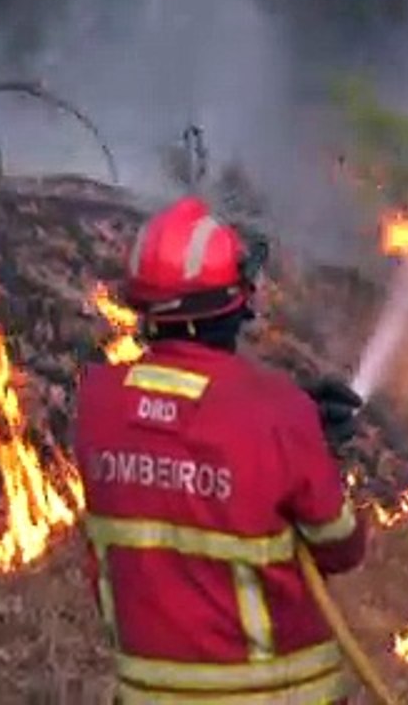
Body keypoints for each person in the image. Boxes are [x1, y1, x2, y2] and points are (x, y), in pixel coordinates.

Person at [72, 195, 368, 704]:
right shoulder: (275, 412)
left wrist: (294, 427)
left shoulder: (97, 404)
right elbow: (340, 547)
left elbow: (182, 433)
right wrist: (314, 447)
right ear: (235, 305)